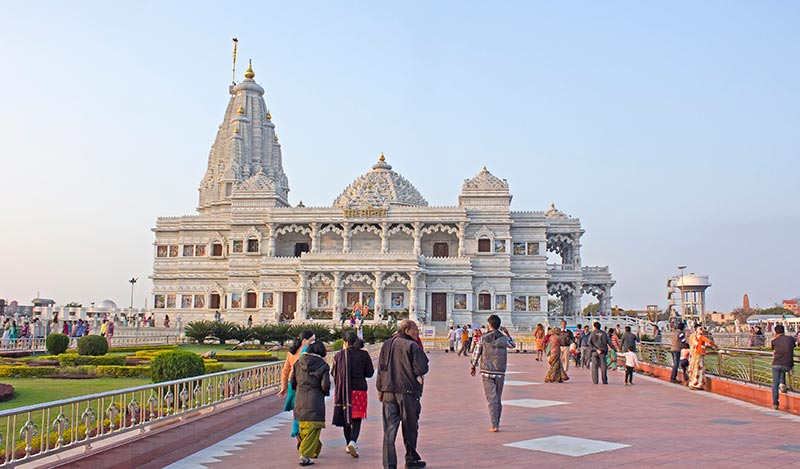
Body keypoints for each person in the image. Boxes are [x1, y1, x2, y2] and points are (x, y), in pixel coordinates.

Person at [376, 319, 429, 469]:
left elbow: (381, 368)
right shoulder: (412, 346)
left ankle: (389, 464)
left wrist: (380, 388)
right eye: (415, 330)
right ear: (407, 331)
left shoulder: (387, 344)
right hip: (407, 392)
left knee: (389, 430)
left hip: (388, 391)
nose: (417, 333)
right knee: (410, 427)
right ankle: (410, 459)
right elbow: (421, 368)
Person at [470, 314, 516, 432]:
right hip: (500, 371)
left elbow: (477, 352)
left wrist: (473, 365)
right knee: (497, 397)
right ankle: (497, 421)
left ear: (489, 325)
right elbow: (513, 345)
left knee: (492, 398)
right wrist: (508, 334)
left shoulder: (483, 337)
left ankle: (494, 424)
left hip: (487, 371)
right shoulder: (503, 338)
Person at [332, 332, 374, 458]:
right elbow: (370, 373)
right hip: (359, 390)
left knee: (346, 416)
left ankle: (347, 443)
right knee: (356, 418)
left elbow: (333, 373)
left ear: (345, 343)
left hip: (343, 390)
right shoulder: (364, 354)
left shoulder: (339, 355)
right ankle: (353, 441)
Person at [291, 340, 331, 466]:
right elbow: (325, 385)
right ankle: (304, 455)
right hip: (315, 400)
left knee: (304, 427)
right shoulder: (323, 366)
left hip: (300, 399)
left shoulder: (298, 363)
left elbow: (292, 382)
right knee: (313, 428)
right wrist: (325, 392)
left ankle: (314, 451)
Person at [278, 329, 316, 446]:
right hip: (303, 384)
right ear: (304, 340)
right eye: (311, 340)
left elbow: (285, 371)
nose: (313, 343)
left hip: (292, 383)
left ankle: (297, 433)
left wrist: (284, 386)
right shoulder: (308, 353)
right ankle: (303, 435)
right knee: (306, 410)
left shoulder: (291, 352)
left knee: (297, 411)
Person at [771, 324, 796, 410]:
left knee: (775, 384)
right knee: (782, 369)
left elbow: (774, 350)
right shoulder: (790, 339)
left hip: (776, 364)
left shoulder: (774, 341)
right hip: (788, 365)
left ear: (775, 332)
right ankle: (783, 384)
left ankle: (775, 403)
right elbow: (792, 346)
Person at [688, 325, 717, 390]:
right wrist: (715, 346)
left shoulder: (692, 336)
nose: (702, 330)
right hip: (698, 355)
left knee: (693, 368)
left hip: (693, 355)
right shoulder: (700, 337)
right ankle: (697, 384)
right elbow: (709, 341)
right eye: (700, 329)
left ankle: (692, 383)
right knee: (699, 370)